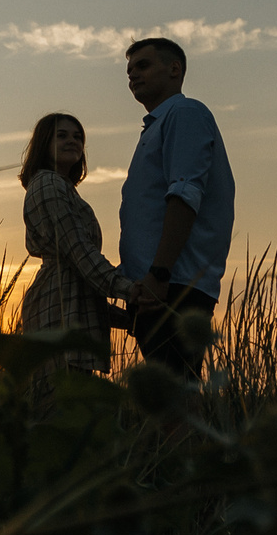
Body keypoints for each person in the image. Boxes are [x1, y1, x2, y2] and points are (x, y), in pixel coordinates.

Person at [119, 37, 234, 378]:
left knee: (175, 398)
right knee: (171, 399)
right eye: (129, 71)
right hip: (159, 287)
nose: (133, 76)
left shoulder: (184, 113)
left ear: (174, 69)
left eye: (143, 65)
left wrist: (160, 273)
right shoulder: (156, 128)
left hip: (174, 284)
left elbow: (185, 194)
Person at [16, 112, 137, 396]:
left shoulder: (62, 187)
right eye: (61, 135)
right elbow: (79, 252)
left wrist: (129, 320)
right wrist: (130, 290)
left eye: (78, 136)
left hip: (66, 309)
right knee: (56, 409)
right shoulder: (47, 184)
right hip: (55, 314)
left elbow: (82, 285)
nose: (72, 141)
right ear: (44, 143)